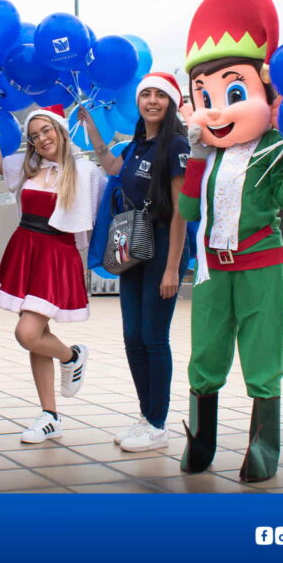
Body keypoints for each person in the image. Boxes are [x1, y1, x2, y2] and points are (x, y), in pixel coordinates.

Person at [177, 0, 283, 481]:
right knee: (206, 351)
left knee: (262, 351)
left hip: (260, 262)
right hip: (213, 267)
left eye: (234, 93)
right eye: (204, 95)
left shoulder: (275, 146)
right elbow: (189, 209)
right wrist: (195, 155)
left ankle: (262, 447)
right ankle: (200, 440)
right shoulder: (207, 155)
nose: (216, 109)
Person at [82, 72, 192, 452]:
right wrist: (92, 128)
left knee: (153, 337)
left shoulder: (176, 145)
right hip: (132, 247)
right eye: (146, 94)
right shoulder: (134, 147)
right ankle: (146, 416)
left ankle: (158, 424)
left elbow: (181, 212)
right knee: (132, 337)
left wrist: (173, 268)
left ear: (171, 103)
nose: (152, 101)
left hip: (162, 245)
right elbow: (111, 166)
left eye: (160, 95)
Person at [0, 105, 106, 444]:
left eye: (46, 130)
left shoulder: (84, 171)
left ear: (61, 130)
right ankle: (50, 416)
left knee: (27, 333)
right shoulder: (27, 166)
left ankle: (72, 356)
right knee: (38, 335)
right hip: (25, 248)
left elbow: (101, 212)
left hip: (56, 255)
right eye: (34, 135)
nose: (41, 139)